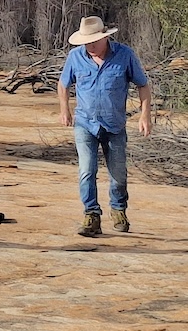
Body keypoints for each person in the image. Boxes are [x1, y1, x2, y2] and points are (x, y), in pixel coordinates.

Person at [58, 16, 152, 237]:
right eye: (86, 42)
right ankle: (91, 215)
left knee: (118, 174)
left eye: (93, 41)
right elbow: (63, 84)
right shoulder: (75, 57)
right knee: (86, 170)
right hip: (85, 123)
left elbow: (143, 85)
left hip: (114, 125)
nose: (90, 46)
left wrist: (145, 115)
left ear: (105, 38)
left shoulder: (124, 55)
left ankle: (118, 211)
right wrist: (65, 109)